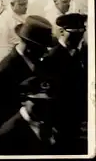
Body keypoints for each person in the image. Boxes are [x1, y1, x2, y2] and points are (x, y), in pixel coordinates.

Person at [0, 15, 53, 142]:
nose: (46, 52)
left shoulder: (36, 63)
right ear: (30, 48)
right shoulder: (4, 71)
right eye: (42, 48)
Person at [39, 13, 88, 155]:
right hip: (59, 122)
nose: (77, 38)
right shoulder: (51, 59)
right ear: (61, 32)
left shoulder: (79, 54)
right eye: (73, 34)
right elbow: (49, 96)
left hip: (75, 120)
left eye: (81, 33)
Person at [0, 77, 60, 155]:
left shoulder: (48, 122)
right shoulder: (10, 132)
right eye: (37, 102)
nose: (43, 107)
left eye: (47, 102)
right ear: (23, 101)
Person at [0, 0, 28, 72]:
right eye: (22, 4)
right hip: (5, 63)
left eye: (26, 4)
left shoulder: (21, 16)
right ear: (12, 4)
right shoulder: (4, 21)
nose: (25, 7)